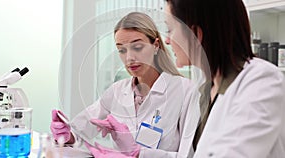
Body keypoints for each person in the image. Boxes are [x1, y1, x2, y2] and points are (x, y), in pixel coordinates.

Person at [50, 12, 195, 158]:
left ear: (155, 46)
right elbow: (81, 130)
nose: (129, 58)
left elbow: (189, 155)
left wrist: (141, 154)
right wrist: (68, 135)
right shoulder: (117, 91)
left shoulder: (186, 91)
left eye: (137, 47)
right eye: (122, 50)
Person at [164, 0, 285, 157]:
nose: (167, 40)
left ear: (195, 34)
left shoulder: (261, 80)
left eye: (169, 29)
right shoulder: (205, 90)